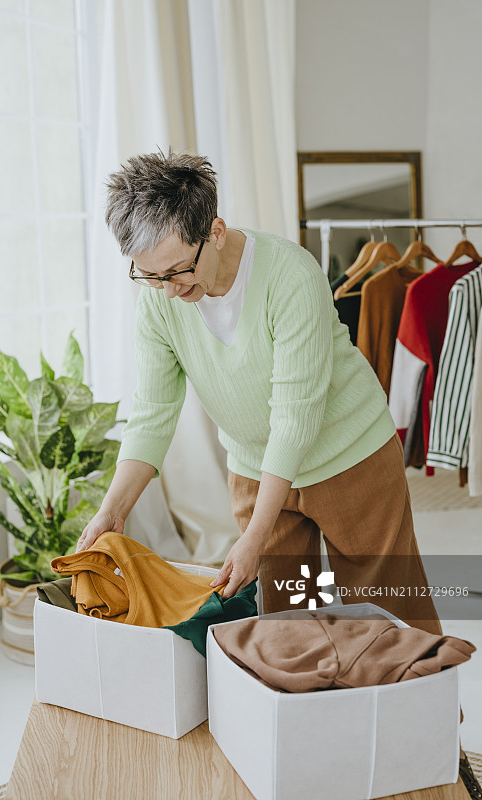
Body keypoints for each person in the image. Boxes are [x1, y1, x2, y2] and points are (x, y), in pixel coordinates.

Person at [76, 149, 442, 636]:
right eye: (150, 275)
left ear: (216, 232)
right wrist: (113, 509)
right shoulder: (160, 303)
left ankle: (417, 710)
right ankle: (312, 713)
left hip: (350, 457)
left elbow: (294, 420)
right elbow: (151, 414)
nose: (167, 290)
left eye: (178, 270)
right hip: (255, 469)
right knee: (291, 625)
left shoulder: (290, 275)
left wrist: (253, 536)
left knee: (386, 616)